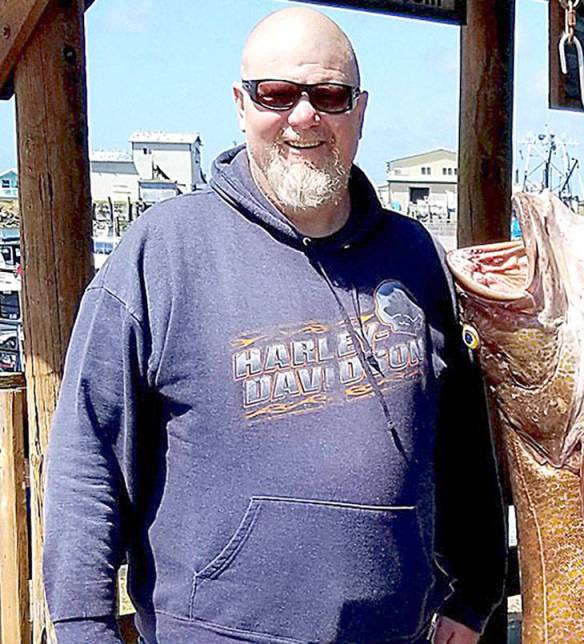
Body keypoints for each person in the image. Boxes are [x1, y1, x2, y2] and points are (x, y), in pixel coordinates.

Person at [43, 8, 505, 643]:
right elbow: (88, 459)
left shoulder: (414, 255)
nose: (304, 116)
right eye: (277, 94)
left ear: (360, 112)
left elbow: (461, 443)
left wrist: (474, 590)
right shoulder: (164, 251)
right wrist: (82, 627)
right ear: (241, 104)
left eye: (330, 96)